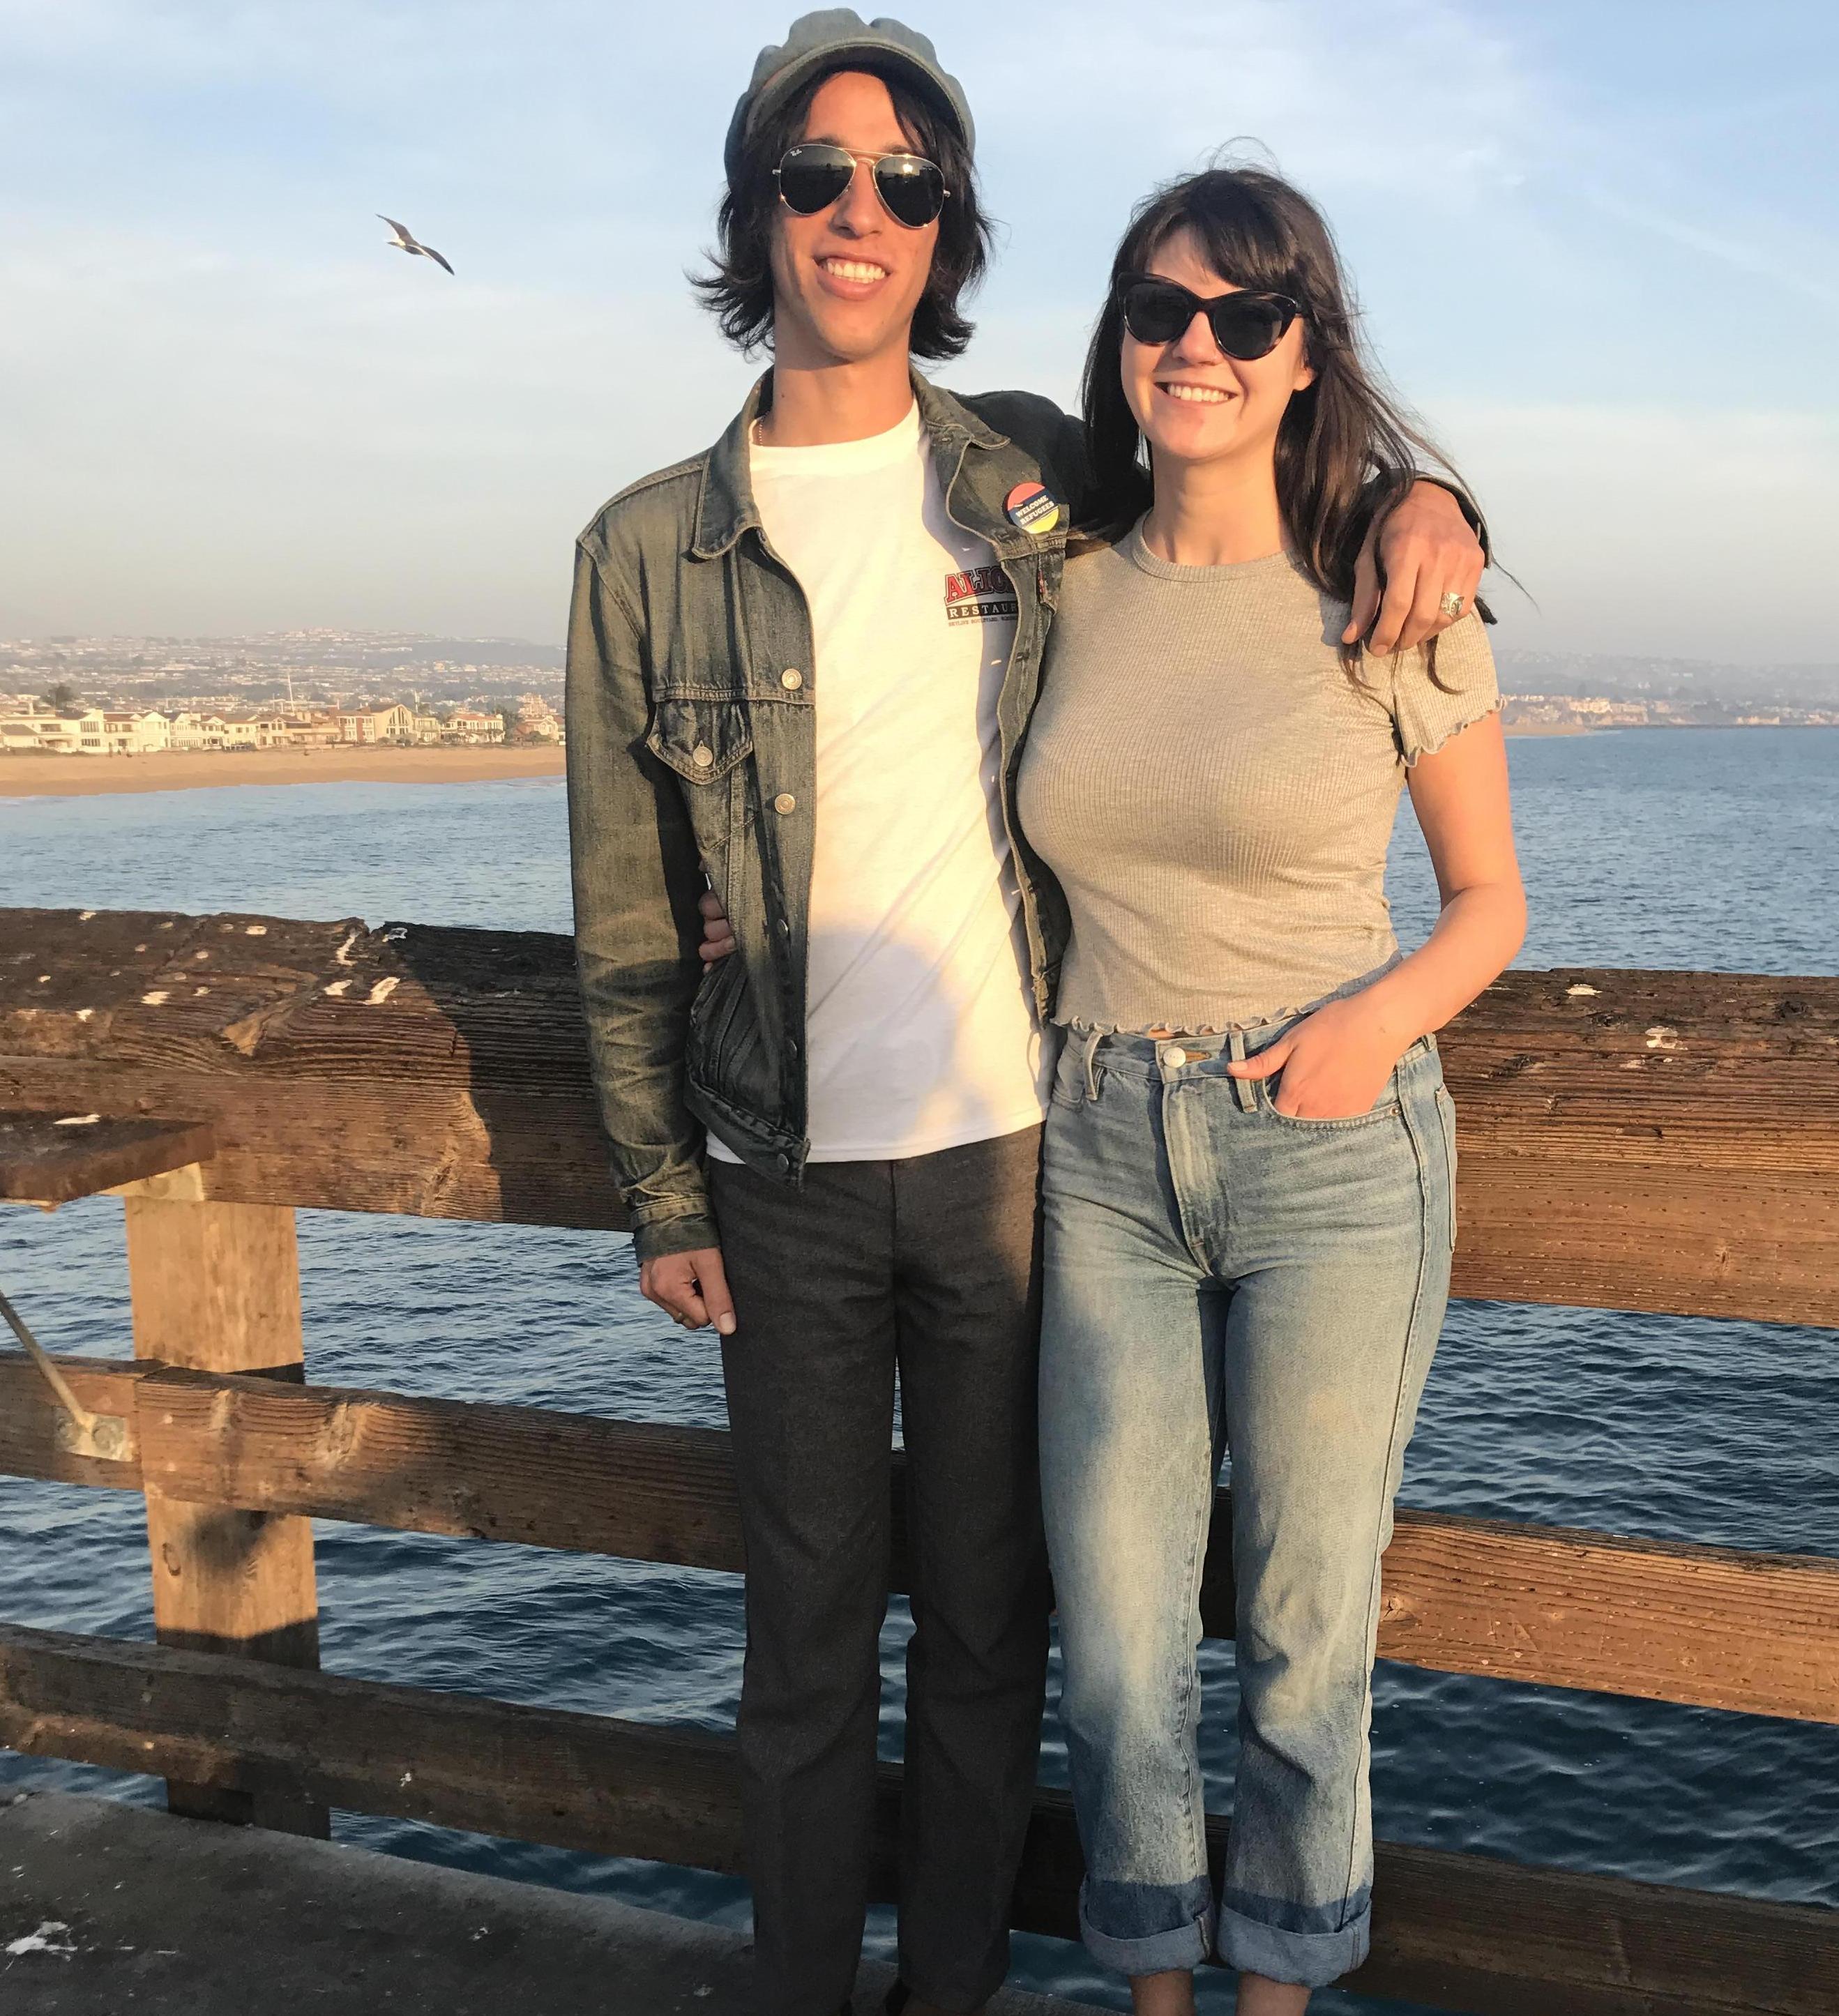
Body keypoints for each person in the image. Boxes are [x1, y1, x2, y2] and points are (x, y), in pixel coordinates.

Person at [564, 13, 1486, 2013]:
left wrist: (1434, 504)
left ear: (947, 223)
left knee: (1007, 1630)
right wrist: (657, 1189)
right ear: (759, 204)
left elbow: (1253, 462)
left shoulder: (1024, 481)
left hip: (1014, 1160)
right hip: (786, 1168)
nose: (859, 212)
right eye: (817, 175)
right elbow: (626, 907)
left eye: (902, 181)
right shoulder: (646, 548)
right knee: (813, 1640)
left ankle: (963, 1988)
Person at [1015, 167, 1527, 2015]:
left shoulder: (1383, 591)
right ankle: (1154, 1988)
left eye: (1244, 316)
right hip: (1094, 1147)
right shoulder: (1055, 582)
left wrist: (1368, 1026)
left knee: (1306, 1628)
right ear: (1120, 334)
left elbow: (1489, 907)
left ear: (1306, 350)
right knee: (1119, 1639)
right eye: (1162, 309)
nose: (1198, 347)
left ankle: (1277, 1993)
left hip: (1325, 1151)